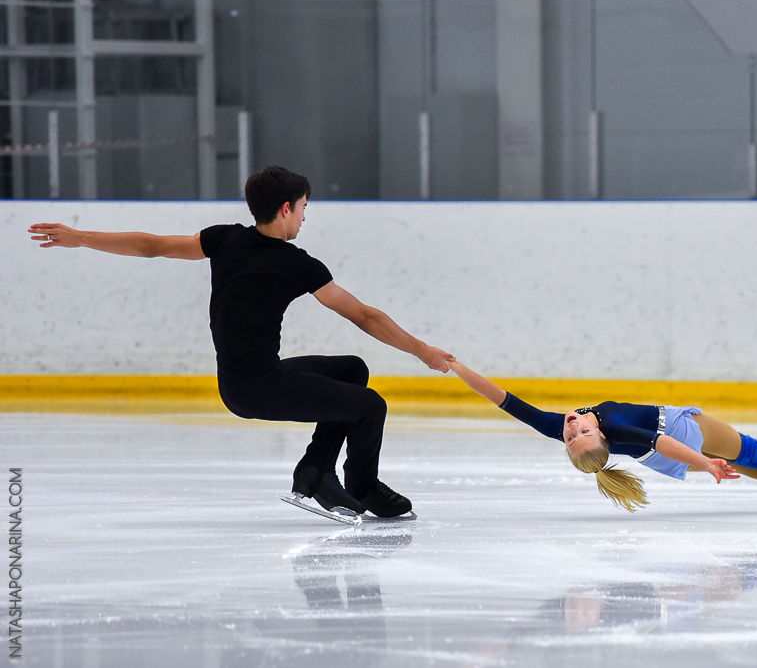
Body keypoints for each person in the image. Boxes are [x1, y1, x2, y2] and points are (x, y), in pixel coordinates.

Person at [28, 165, 454, 518]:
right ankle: (364, 487)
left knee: (351, 370)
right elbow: (365, 315)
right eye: (304, 208)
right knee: (371, 407)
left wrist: (82, 237)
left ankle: (315, 471)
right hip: (260, 388)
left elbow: (152, 246)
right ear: (286, 209)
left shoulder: (224, 239)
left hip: (241, 382)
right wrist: (424, 351)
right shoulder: (297, 265)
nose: (305, 218)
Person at [446, 359, 757, 512]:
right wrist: (703, 460)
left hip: (671, 453)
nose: (572, 428)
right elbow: (661, 442)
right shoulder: (614, 428)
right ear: (601, 436)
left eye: (572, 436)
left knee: (749, 465)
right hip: (682, 435)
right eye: (581, 433)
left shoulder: (557, 426)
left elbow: (507, 401)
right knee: (756, 452)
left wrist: (459, 368)